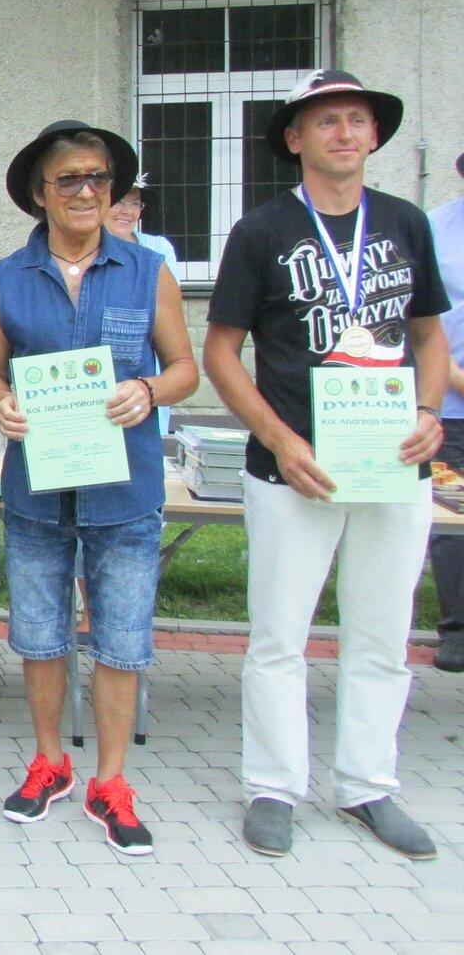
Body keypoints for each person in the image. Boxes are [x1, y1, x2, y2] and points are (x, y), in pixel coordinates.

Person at [204, 70, 449, 860]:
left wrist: (428, 412)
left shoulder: (406, 223)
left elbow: (429, 335)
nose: (344, 132)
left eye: (357, 120)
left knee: (382, 634)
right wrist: (280, 438)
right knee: (279, 637)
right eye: (326, 121)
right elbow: (221, 353)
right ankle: (274, 787)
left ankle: (368, 784)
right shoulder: (261, 231)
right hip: (293, 467)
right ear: (295, 138)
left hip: (390, 461)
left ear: (375, 136)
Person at [0, 120, 197, 856]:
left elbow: (185, 369)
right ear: (39, 194)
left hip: (125, 491)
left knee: (122, 642)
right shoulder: (8, 277)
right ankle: (50, 763)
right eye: (67, 178)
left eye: (97, 178)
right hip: (38, 489)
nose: (85, 191)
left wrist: (148, 389)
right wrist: (0, 402)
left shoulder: (148, 271)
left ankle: (111, 782)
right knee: (40, 637)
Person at [425, 149, 464, 674]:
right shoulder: (434, 229)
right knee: (452, 521)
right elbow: (421, 321)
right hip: (450, 402)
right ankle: (457, 629)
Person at [107, 173, 179, 434]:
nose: (127, 211)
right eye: (119, 201)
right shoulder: (84, 252)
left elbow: (163, 314)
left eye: (134, 203)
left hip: (144, 374)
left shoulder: (158, 249)